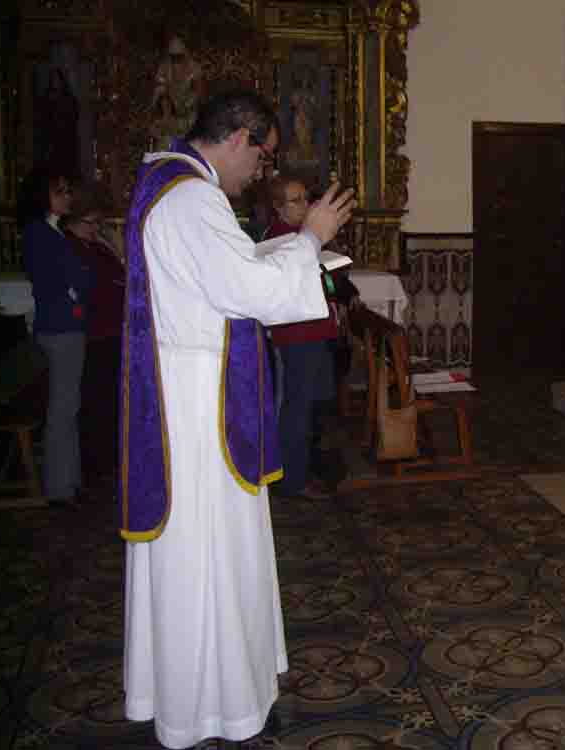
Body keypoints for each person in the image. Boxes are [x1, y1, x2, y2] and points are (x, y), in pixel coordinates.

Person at [120, 89, 355, 749]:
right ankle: (210, 706)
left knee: (211, 553)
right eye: (264, 156)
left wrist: (293, 255)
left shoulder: (168, 184)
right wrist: (311, 239)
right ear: (240, 137)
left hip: (189, 388)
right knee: (209, 554)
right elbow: (247, 291)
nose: (264, 172)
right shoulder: (193, 199)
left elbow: (228, 274)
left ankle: (209, 692)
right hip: (199, 410)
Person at [264, 173, 359, 498]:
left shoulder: (303, 236)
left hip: (316, 331)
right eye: (296, 200)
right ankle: (291, 479)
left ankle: (311, 467)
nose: (306, 205)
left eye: (307, 197)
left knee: (316, 404)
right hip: (297, 335)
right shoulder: (280, 240)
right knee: (297, 407)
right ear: (278, 208)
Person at [20, 168, 93, 506]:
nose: (67, 197)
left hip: (67, 324)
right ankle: (59, 486)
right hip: (60, 326)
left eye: (67, 190)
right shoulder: (39, 233)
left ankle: (70, 479)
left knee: (69, 405)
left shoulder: (53, 231)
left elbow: (76, 276)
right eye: (59, 191)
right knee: (62, 408)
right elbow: (57, 281)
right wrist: (74, 295)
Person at [63, 186, 125, 488]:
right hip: (95, 331)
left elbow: (121, 272)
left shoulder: (97, 245)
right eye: (92, 223)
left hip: (114, 329)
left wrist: (111, 244)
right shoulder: (71, 246)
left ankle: (109, 458)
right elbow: (92, 285)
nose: (96, 228)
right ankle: (95, 464)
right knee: (95, 400)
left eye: (98, 223)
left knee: (110, 399)